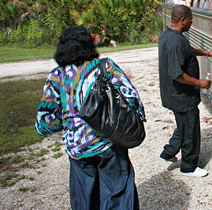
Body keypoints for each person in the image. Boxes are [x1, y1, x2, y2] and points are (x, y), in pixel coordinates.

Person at [35, 26, 145, 209]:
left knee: (86, 201)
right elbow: (133, 101)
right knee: (118, 197)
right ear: (89, 44)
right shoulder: (106, 67)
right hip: (109, 142)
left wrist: (70, 120)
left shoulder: (56, 76)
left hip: (78, 150)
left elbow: (43, 124)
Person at [158, 5, 212, 178]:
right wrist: (199, 83)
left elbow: (187, 51)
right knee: (191, 130)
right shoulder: (175, 41)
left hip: (175, 95)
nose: (192, 23)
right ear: (182, 20)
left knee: (183, 125)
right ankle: (189, 167)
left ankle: (168, 152)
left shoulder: (169, 35)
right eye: (190, 20)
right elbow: (177, 74)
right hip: (182, 96)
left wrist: (207, 53)